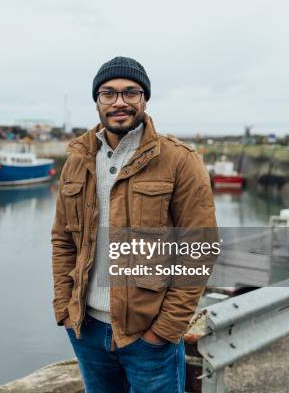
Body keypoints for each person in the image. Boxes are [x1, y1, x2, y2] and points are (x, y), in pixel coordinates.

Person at [51, 56, 217, 392]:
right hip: (87, 330)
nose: (120, 102)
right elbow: (63, 240)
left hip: (148, 336)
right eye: (108, 94)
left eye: (131, 93)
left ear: (144, 99)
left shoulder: (179, 160)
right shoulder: (77, 161)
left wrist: (165, 330)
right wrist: (64, 308)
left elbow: (199, 249)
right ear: (97, 101)